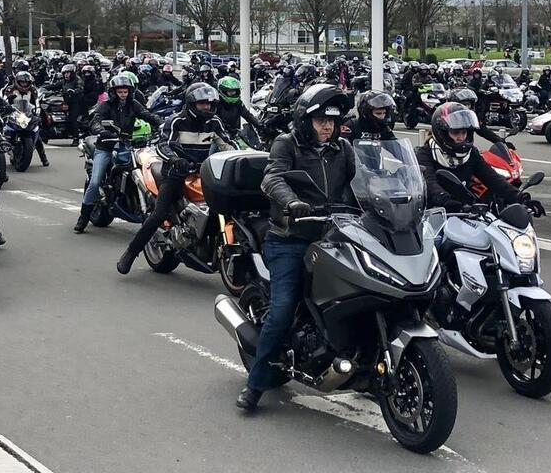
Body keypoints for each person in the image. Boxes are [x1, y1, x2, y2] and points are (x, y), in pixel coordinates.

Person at [236, 84, 356, 411]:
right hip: (290, 237)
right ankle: (255, 385)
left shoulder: (342, 148)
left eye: (331, 121)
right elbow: (272, 178)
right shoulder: (286, 144)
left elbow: (361, 182)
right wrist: (293, 203)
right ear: (305, 120)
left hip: (333, 235)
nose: (327, 126)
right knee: (283, 308)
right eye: (320, 120)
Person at [115, 83, 233, 275]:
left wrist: (240, 157)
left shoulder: (214, 122)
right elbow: (163, 144)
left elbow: (227, 144)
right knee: (159, 214)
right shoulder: (176, 121)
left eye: (210, 104)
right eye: (203, 104)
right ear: (192, 104)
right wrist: (175, 159)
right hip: (175, 173)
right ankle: (130, 253)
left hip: (203, 172)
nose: (207, 108)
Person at [416, 102, 542, 214]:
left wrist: (521, 199)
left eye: (464, 133)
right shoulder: (425, 154)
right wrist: (445, 200)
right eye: (455, 133)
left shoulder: (471, 154)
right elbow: (430, 182)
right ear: (442, 132)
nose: (461, 138)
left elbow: (493, 179)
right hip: (433, 216)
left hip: (466, 212)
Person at [74, 75, 163, 233]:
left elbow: (147, 115)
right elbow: (95, 120)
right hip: (106, 146)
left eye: (125, 91)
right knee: (95, 182)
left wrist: (162, 124)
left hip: (126, 145)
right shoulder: (106, 106)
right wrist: (101, 131)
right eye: (120, 91)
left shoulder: (134, 105)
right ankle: (83, 217)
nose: (123, 94)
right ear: (113, 92)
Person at [3, 71, 49, 166]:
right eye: (22, 82)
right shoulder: (9, 89)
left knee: (37, 134)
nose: (24, 84)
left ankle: (43, 157)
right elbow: (3, 100)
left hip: (28, 114)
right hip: (13, 114)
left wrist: (38, 112)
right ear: (17, 81)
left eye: (26, 82)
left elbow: (37, 103)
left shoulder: (33, 90)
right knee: (3, 132)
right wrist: (5, 107)